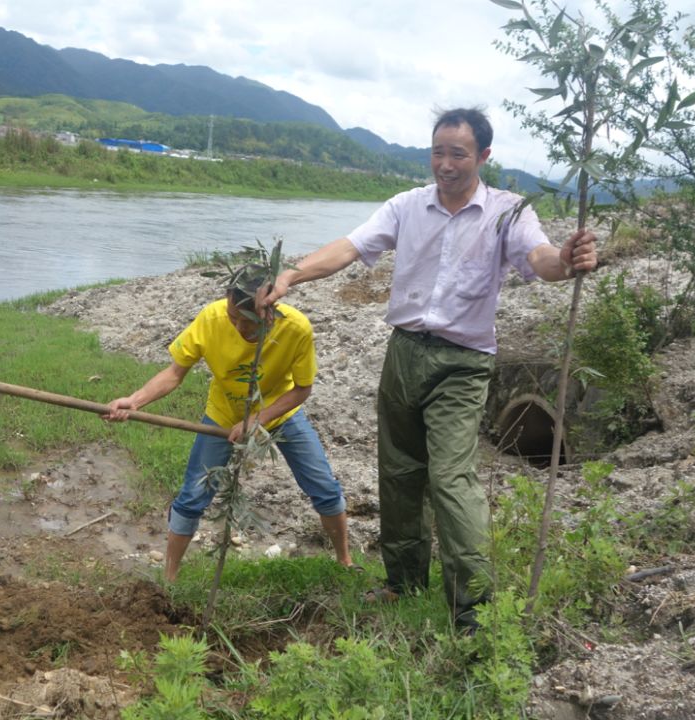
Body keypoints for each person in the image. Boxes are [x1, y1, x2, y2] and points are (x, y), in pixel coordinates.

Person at [258, 107, 598, 631]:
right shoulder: (406, 206)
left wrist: (568, 258)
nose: (445, 163)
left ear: (483, 156)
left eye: (457, 153)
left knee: (451, 478)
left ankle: (473, 609)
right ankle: (403, 582)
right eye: (438, 151)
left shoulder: (507, 211)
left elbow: (541, 260)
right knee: (398, 474)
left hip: (463, 363)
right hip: (404, 352)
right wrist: (291, 276)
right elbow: (350, 247)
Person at [104, 270, 353, 582]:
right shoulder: (212, 318)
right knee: (193, 496)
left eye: (247, 320)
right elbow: (174, 373)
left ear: (270, 310)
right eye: (233, 316)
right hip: (223, 414)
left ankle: (345, 562)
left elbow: (302, 389)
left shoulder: (296, 328)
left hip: (279, 413)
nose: (237, 326)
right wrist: (136, 400)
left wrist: (257, 419)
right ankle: (169, 579)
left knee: (324, 488)